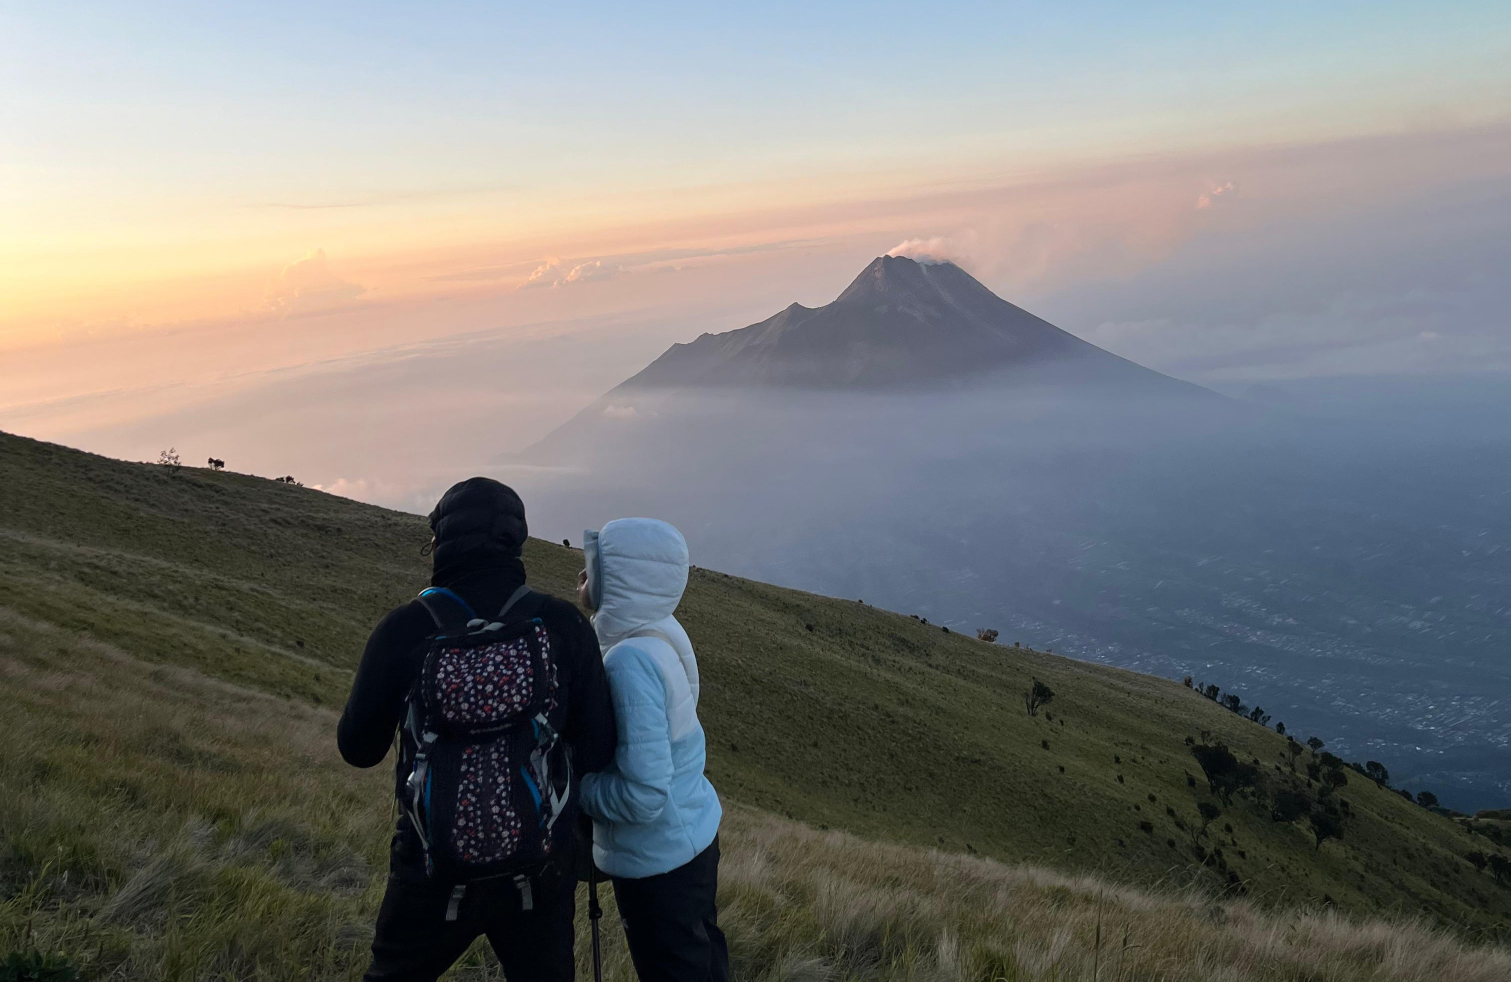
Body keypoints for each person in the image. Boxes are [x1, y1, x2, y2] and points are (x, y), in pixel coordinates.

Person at [338, 477, 616, 982]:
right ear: (518, 542)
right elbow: (598, 748)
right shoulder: (561, 624)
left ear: (438, 544)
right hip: (540, 869)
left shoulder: (405, 629)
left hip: (430, 871)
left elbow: (357, 749)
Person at [576, 518, 728, 982]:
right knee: (704, 959)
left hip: (660, 861)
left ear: (622, 580)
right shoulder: (663, 632)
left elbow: (643, 795)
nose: (580, 581)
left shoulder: (629, 659)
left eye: (590, 571)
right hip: (693, 836)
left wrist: (578, 787)